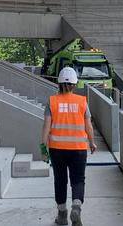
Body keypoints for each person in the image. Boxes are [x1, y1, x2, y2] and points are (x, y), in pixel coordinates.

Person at [42, 66, 97, 226]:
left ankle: (62, 215)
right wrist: (92, 142)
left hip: (57, 149)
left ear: (59, 83)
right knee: (78, 180)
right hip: (78, 149)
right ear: (74, 84)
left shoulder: (51, 101)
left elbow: (46, 126)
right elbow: (89, 126)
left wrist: (42, 147)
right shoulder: (82, 102)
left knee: (60, 180)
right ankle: (76, 207)